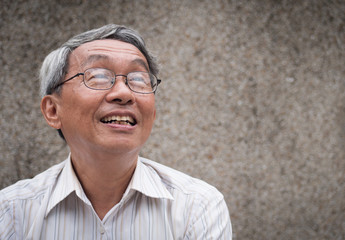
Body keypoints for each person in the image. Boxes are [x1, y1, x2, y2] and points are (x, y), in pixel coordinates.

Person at [0, 24, 232, 239]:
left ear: (153, 113)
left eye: (139, 79)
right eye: (98, 76)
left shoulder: (198, 206)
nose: (124, 93)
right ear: (52, 110)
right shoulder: (12, 212)